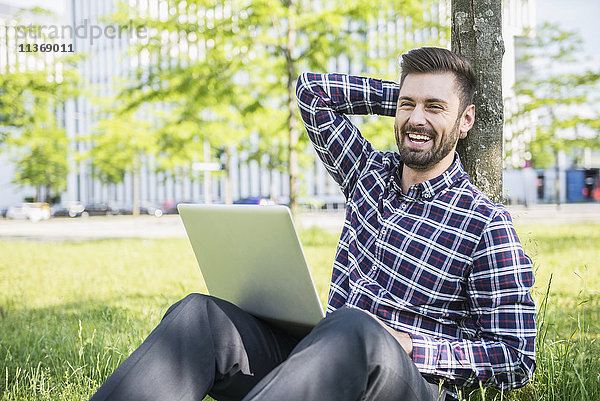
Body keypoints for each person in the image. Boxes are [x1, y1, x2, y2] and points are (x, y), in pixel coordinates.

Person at [89, 47, 536, 401]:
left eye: (435, 107)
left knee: (355, 327)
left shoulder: (486, 224)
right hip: (324, 361)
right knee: (200, 316)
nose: (416, 118)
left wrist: (411, 345)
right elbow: (312, 92)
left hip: (410, 383)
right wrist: (406, 99)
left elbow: (517, 357)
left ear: (466, 121)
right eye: (408, 105)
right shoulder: (367, 174)